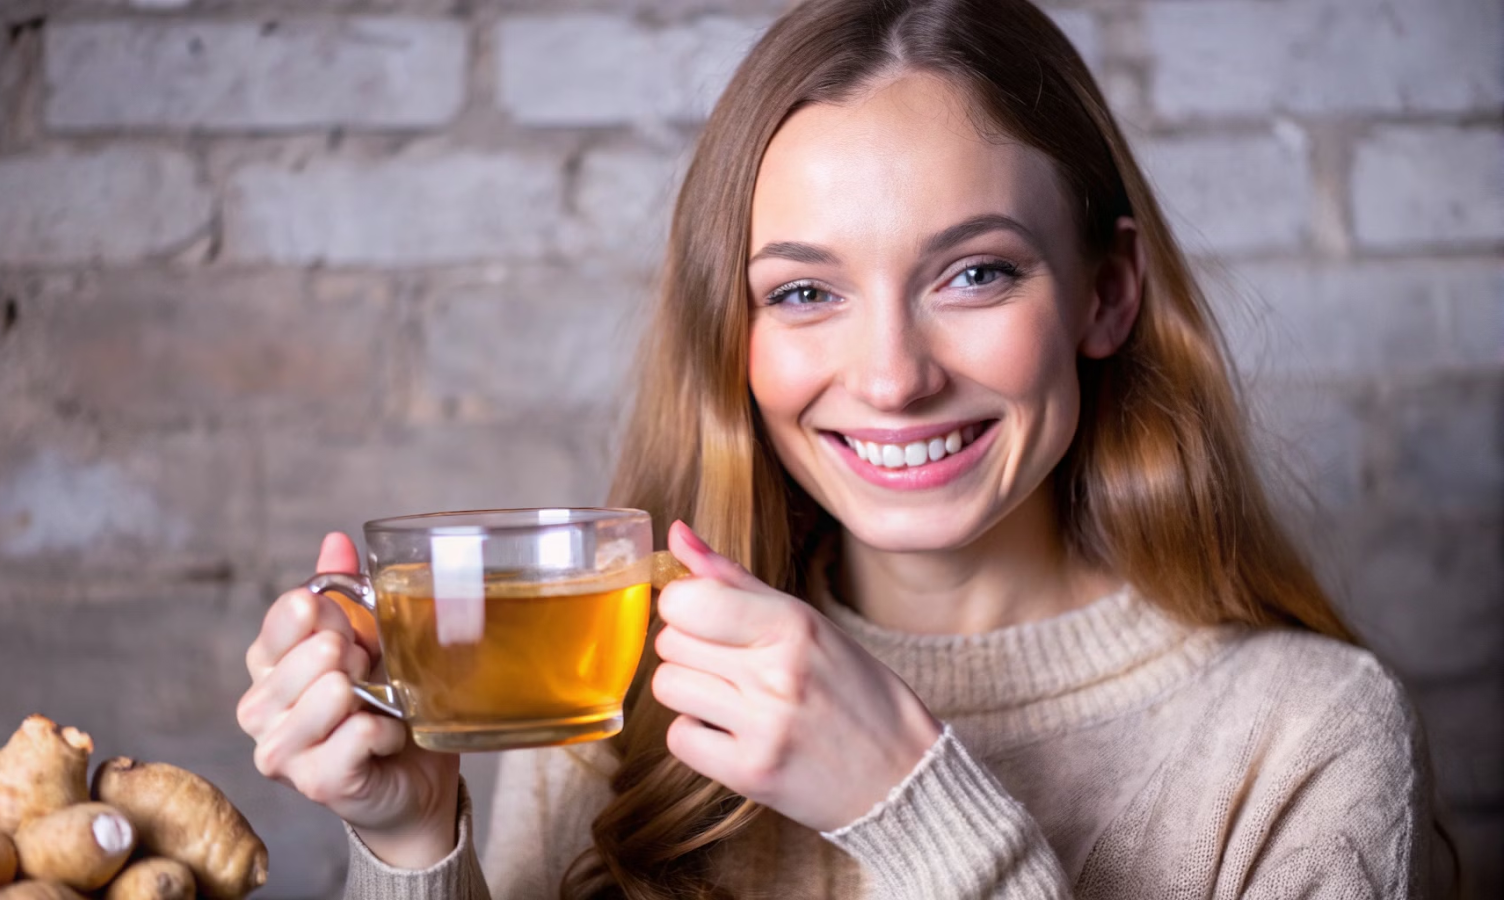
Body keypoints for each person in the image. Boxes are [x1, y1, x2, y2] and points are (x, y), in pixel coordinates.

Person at [236, 0, 1448, 897]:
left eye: (975, 274)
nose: (890, 377)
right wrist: (409, 844)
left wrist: (911, 808)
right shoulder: (605, 683)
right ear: (738, 334)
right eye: (805, 293)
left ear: (1105, 294)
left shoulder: (1309, 734)